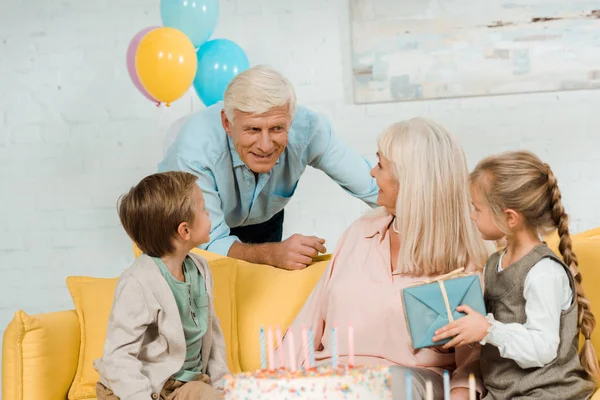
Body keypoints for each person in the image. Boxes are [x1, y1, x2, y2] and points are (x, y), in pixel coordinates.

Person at [281, 118, 489, 399]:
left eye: (380, 164)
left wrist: (462, 393)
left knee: (386, 385)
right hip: (331, 381)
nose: (371, 172)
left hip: (407, 383)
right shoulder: (359, 234)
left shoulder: (461, 257)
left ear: (410, 180)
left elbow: (471, 359)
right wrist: (266, 384)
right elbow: (307, 325)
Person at [158, 65, 379, 270]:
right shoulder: (195, 150)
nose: (265, 146)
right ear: (227, 123)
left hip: (263, 218)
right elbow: (209, 243)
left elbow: (373, 186)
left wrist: (410, 224)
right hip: (192, 226)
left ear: (290, 121)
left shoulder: (310, 129)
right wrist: (272, 254)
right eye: (253, 129)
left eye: (276, 128)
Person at [432, 150, 598, 399]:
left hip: (547, 392)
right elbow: (499, 332)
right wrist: (469, 331)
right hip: (505, 391)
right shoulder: (494, 262)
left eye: (477, 208)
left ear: (510, 218)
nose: (471, 216)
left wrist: (488, 329)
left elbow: (542, 349)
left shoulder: (544, 272)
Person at [94, 171, 229, 400]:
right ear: (185, 230)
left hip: (184, 385)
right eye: (204, 210)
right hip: (133, 389)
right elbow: (119, 356)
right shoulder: (137, 282)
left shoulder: (201, 270)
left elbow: (211, 335)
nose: (210, 214)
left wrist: (224, 386)